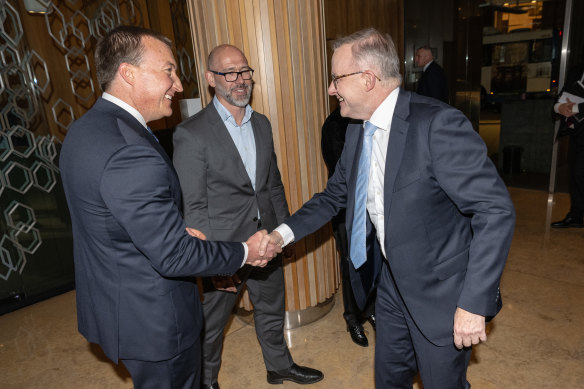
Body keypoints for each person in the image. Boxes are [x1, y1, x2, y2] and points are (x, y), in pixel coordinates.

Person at [260, 28, 516, 388]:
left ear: (367, 79)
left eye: (336, 79)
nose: (331, 89)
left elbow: (495, 210)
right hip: (392, 287)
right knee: (389, 381)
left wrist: (473, 303)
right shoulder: (356, 130)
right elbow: (333, 197)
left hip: (443, 295)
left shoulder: (437, 125)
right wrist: (279, 235)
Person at [59, 26, 280, 389]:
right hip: (155, 321)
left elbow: (112, 219)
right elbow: (173, 256)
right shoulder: (130, 149)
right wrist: (244, 251)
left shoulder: (86, 131)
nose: (178, 85)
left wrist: (172, 230)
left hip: (118, 307)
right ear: (128, 74)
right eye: (168, 71)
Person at [172, 44, 323, 388]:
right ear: (211, 79)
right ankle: (206, 382)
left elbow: (272, 183)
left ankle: (279, 366)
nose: (240, 80)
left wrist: (285, 233)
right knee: (212, 327)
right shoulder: (191, 134)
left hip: (266, 239)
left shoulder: (262, 124)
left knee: (271, 311)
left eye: (244, 71)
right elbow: (193, 207)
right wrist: (211, 264)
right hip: (225, 250)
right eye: (229, 73)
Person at [321, 106, 376, 347]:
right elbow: (340, 172)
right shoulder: (335, 124)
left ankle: (372, 310)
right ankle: (353, 318)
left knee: (375, 261)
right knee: (350, 264)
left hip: (372, 206)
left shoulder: (370, 117)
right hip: (346, 208)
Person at [551, 63, 584, 228]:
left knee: (580, 173)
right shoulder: (577, 69)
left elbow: (577, 106)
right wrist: (560, 107)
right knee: (574, 175)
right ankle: (576, 216)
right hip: (576, 132)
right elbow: (561, 95)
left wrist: (576, 108)